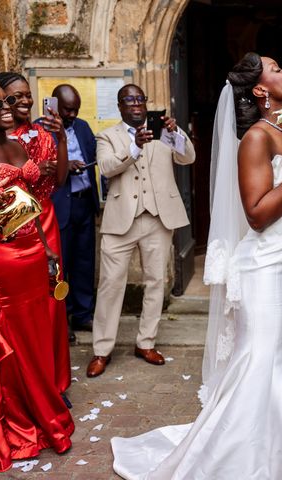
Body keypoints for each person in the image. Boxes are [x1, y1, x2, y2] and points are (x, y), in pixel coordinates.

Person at [110, 53, 282, 480]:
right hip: (268, 273)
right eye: (277, 69)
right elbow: (256, 214)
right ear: (258, 90)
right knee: (263, 360)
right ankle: (242, 458)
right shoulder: (257, 138)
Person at [86, 84, 196, 378]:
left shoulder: (163, 132)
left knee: (155, 282)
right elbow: (107, 167)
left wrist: (174, 133)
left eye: (140, 99)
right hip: (121, 220)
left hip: (158, 218)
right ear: (120, 106)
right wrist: (134, 147)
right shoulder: (107, 136)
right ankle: (102, 349)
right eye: (129, 100)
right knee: (110, 285)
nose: (136, 104)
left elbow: (188, 158)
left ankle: (145, 342)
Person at [0, 83, 74, 473]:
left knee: (36, 336)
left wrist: (46, 248)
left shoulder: (16, 143)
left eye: (6, 100)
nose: (7, 107)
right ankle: (19, 420)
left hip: (33, 246)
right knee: (12, 342)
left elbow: (29, 194)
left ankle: (40, 409)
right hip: (2, 260)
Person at [51, 84, 100, 338]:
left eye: (76, 110)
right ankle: (63, 320)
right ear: (55, 106)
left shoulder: (82, 127)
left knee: (84, 262)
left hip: (84, 202)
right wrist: (65, 164)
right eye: (68, 110)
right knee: (63, 265)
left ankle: (83, 314)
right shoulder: (42, 128)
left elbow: (94, 153)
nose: (72, 115)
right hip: (60, 206)